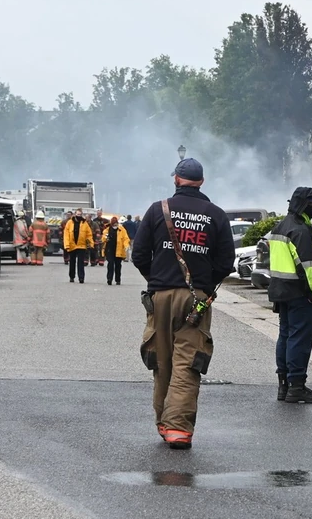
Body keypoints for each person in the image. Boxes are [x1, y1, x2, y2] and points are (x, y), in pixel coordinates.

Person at [133, 157, 235, 450]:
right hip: (196, 300)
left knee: (161, 359)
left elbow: (139, 254)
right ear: (201, 182)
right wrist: (203, 286)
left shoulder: (157, 210)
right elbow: (226, 262)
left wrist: (157, 280)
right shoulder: (215, 215)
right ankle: (179, 428)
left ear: (176, 179)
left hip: (160, 297)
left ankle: (164, 424)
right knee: (188, 362)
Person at [268, 187, 312, 404]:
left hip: (281, 291)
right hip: (300, 293)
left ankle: (284, 385)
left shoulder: (280, 227)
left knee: (285, 336)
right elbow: (308, 267)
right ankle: (297, 386)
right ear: (304, 205)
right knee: (300, 339)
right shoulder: (300, 231)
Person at [63, 209, 93, 283]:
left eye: (80, 214)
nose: (79, 216)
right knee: (72, 262)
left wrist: (91, 243)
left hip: (81, 246)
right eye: (78, 214)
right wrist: (66, 245)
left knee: (81, 263)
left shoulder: (85, 223)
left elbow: (88, 234)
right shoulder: (69, 223)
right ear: (75, 214)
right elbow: (66, 235)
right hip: (72, 245)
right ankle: (72, 276)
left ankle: (81, 278)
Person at [101, 216, 130, 285]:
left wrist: (126, 246)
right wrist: (106, 238)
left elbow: (126, 238)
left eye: (116, 224)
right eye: (114, 225)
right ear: (111, 224)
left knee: (118, 265)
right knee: (110, 264)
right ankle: (109, 279)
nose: (115, 226)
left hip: (119, 250)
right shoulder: (107, 230)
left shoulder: (122, 230)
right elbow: (103, 238)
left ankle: (118, 279)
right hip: (109, 250)